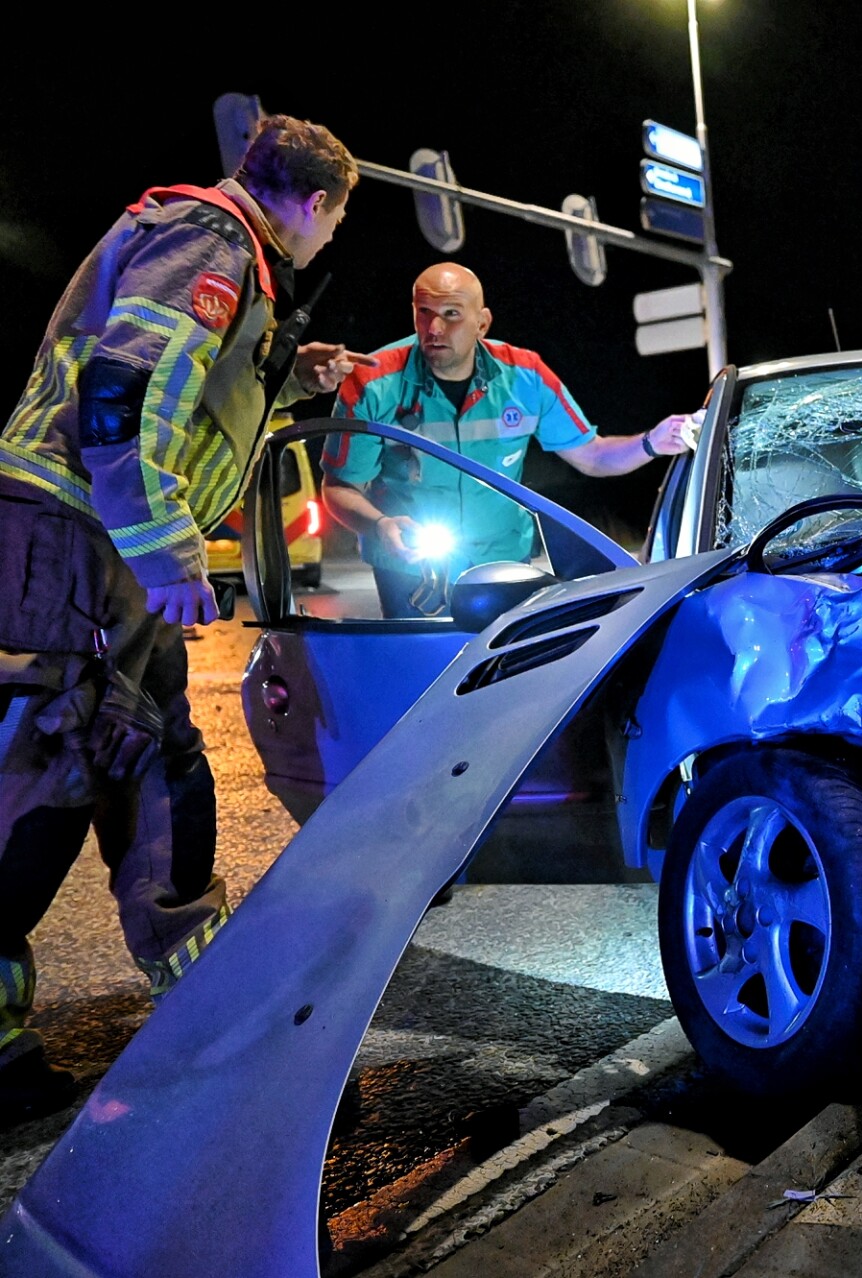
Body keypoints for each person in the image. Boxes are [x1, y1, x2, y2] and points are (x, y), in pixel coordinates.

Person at [0, 115, 366, 1125]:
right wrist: (164, 552)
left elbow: (182, 387)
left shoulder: (218, 255)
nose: (330, 240)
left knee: (155, 753)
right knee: (57, 754)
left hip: (89, 534)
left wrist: (287, 375)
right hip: (81, 535)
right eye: (337, 220)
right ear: (316, 202)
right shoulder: (211, 245)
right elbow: (124, 394)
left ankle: (205, 999)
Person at [323, 263, 700, 618]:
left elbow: (593, 456)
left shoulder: (526, 376)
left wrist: (653, 441)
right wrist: (379, 526)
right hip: (408, 570)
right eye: (424, 312)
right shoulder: (371, 382)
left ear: (482, 323)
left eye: (452, 313)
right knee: (416, 679)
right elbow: (339, 487)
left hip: (503, 567)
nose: (434, 328)